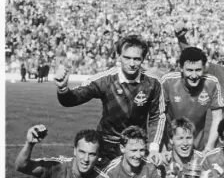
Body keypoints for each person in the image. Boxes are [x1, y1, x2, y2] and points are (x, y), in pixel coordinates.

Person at [54, 34, 166, 166]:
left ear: (143, 59)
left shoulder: (152, 83)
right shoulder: (105, 80)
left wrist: (154, 148)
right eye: (127, 58)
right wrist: (63, 88)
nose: (131, 63)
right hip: (106, 146)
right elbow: (71, 100)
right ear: (119, 56)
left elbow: (157, 117)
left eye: (136, 59)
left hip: (136, 146)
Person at [160, 46, 223, 153]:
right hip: (171, 145)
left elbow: (218, 117)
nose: (194, 75)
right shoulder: (168, 82)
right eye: (189, 70)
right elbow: (159, 115)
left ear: (204, 68)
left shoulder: (211, 83)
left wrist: (209, 146)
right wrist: (161, 145)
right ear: (181, 68)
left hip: (197, 147)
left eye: (198, 70)